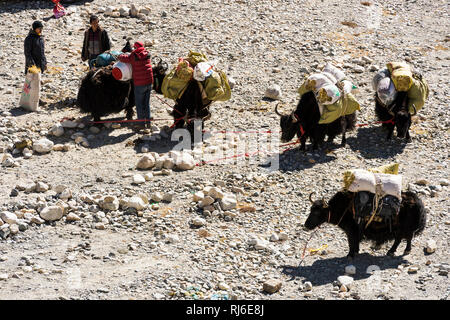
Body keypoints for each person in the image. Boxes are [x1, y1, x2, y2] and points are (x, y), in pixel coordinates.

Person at [117, 41, 154, 131]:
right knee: (146, 103)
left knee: (139, 104)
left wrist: (119, 56)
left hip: (139, 84)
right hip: (149, 82)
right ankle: (148, 122)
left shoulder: (134, 55)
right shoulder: (147, 54)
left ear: (136, 48)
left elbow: (125, 58)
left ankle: (141, 124)